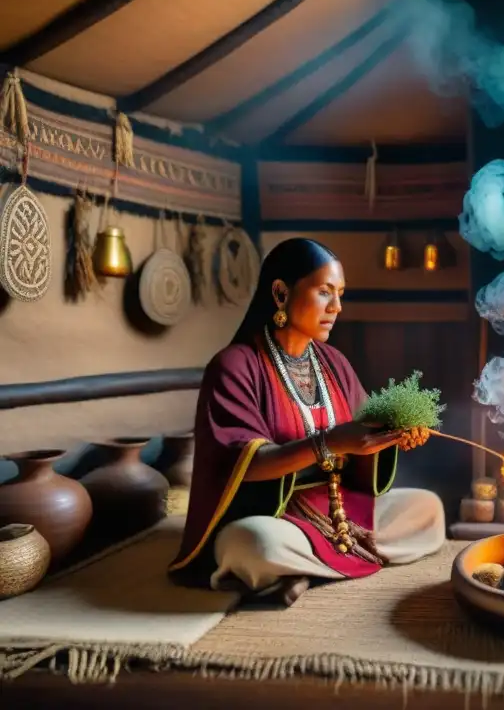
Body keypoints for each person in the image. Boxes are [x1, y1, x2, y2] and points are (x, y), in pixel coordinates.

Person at [169, 238, 446, 605]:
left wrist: (393, 434)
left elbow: (365, 431)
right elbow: (238, 463)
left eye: (341, 294)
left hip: (337, 509)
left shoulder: (333, 362)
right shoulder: (234, 366)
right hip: (272, 515)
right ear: (281, 294)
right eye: (324, 292)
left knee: (428, 509)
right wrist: (329, 443)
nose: (337, 307)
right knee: (253, 545)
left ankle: (301, 573)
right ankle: (315, 563)